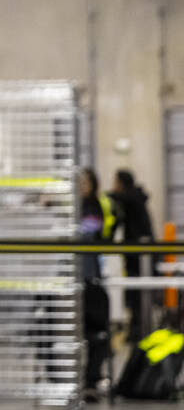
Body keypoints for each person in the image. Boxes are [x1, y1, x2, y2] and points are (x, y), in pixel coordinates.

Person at [77, 167, 113, 397]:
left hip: (90, 277)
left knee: (97, 332)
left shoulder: (95, 205)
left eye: (84, 182)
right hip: (72, 279)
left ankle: (92, 377)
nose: (80, 186)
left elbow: (90, 232)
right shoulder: (71, 207)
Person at [110, 169, 154, 341]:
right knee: (135, 294)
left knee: (138, 294)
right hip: (135, 254)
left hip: (140, 256)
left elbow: (118, 198)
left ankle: (139, 331)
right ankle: (137, 330)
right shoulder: (134, 198)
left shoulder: (132, 198)